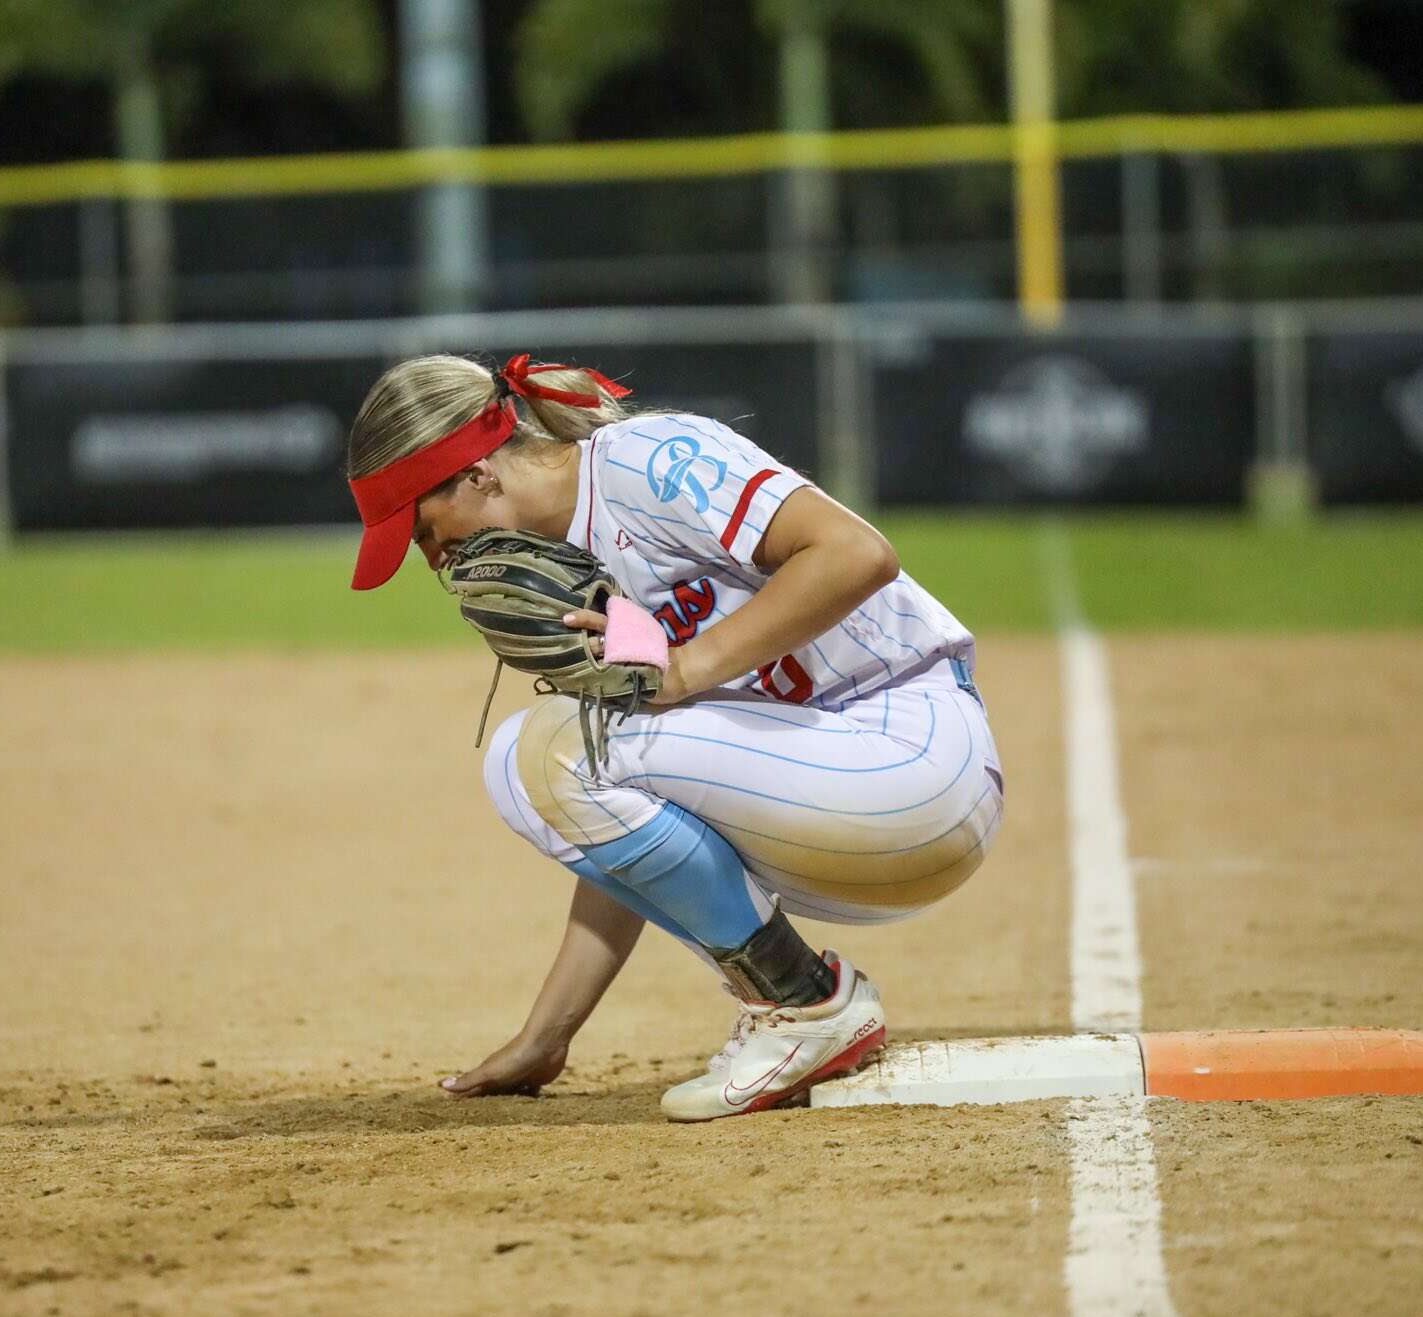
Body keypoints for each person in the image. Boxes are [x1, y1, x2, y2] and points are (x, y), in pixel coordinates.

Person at [346, 353, 1004, 1121]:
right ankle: (791, 995)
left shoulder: (645, 462)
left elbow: (858, 554)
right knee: (542, 761)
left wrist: (686, 669)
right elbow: (625, 821)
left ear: (478, 474)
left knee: (544, 750)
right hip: (832, 801)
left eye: (425, 530)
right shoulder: (567, 570)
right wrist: (549, 1032)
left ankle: (805, 1009)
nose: (433, 560)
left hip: (910, 755)